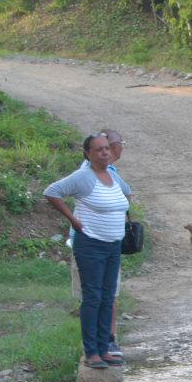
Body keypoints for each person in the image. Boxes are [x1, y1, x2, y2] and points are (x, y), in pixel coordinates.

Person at [45, 134, 130, 369]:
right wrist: (72, 219)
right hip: (91, 244)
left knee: (107, 295)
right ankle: (92, 351)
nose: (105, 153)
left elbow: (126, 196)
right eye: (99, 150)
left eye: (107, 149)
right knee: (92, 297)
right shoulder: (84, 177)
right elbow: (52, 192)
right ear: (88, 154)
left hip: (113, 244)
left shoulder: (112, 175)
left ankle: (105, 348)